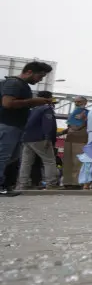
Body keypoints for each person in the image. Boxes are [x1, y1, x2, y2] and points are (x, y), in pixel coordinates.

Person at [0, 61, 54, 197]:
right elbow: (7, 103)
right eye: (40, 76)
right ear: (29, 72)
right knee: (3, 156)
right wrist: (32, 102)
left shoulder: (21, 85)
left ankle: (6, 184)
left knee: (12, 157)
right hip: (8, 125)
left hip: (15, 126)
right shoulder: (14, 83)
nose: (41, 79)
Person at [18, 91, 59, 190]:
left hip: (27, 138)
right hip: (40, 138)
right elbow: (47, 124)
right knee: (49, 161)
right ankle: (51, 183)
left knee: (26, 162)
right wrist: (47, 137)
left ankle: (23, 183)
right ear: (48, 98)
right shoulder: (46, 109)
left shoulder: (32, 109)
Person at [61, 96, 90, 186]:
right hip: (69, 139)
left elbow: (82, 126)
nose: (77, 104)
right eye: (75, 102)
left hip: (80, 140)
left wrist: (85, 119)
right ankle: (67, 182)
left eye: (79, 102)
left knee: (78, 162)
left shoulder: (88, 113)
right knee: (67, 161)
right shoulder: (73, 113)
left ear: (85, 102)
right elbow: (70, 127)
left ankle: (76, 182)